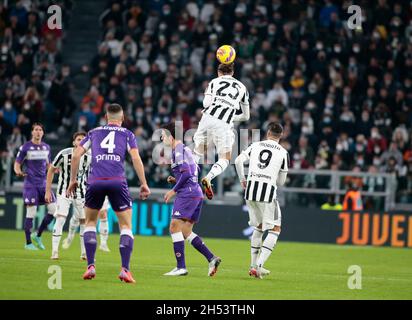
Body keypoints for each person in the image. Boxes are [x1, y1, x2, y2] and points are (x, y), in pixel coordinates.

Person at [66, 103, 151, 283]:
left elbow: (75, 155)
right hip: (117, 181)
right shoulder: (128, 134)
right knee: (126, 226)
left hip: (95, 181)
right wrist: (143, 183)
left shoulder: (93, 132)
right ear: (122, 119)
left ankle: (90, 266)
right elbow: (135, 158)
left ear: (106, 117)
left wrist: (73, 180)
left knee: (89, 222)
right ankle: (125, 270)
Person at [161, 123, 221, 276]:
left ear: (171, 136)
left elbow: (187, 173)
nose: (161, 137)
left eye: (163, 134)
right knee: (186, 231)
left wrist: (173, 190)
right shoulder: (186, 149)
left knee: (174, 227)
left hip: (187, 194)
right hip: (196, 193)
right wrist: (176, 180)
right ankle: (211, 258)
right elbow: (196, 170)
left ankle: (181, 267)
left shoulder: (178, 150)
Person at [234, 122, 289, 279]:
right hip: (267, 194)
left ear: (268, 133)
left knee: (258, 227)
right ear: (281, 135)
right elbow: (281, 182)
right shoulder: (283, 153)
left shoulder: (256, 145)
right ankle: (259, 266)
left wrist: (242, 179)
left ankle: (253, 265)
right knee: (275, 228)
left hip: (250, 191)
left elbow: (238, 161)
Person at [193, 62, 250, 199]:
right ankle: (208, 177)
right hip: (224, 123)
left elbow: (205, 104)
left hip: (207, 118)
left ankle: (189, 179)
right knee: (225, 158)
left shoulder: (214, 82)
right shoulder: (242, 88)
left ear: (218, 72)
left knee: (198, 151)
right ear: (233, 72)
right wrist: (230, 115)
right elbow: (246, 116)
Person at [45, 131, 90, 260]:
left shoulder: (89, 156)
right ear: (73, 142)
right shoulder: (64, 154)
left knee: (83, 221)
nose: (81, 141)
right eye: (78, 139)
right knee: (60, 219)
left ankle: (84, 253)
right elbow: (51, 170)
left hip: (81, 193)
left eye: (83, 139)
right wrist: (48, 191)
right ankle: (54, 252)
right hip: (64, 191)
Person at [14, 123, 57, 250]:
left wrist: (54, 169)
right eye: (36, 130)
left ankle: (37, 235)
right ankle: (28, 243)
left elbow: (48, 165)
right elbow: (17, 163)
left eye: (40, 130)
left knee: (54, 209)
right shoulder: (25, 147)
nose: (38, 132)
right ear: (32, 132)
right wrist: (18, 171)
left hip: (44, 184)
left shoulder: (46, 147)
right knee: (31, 212)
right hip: (31, 184)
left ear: (43, 133)